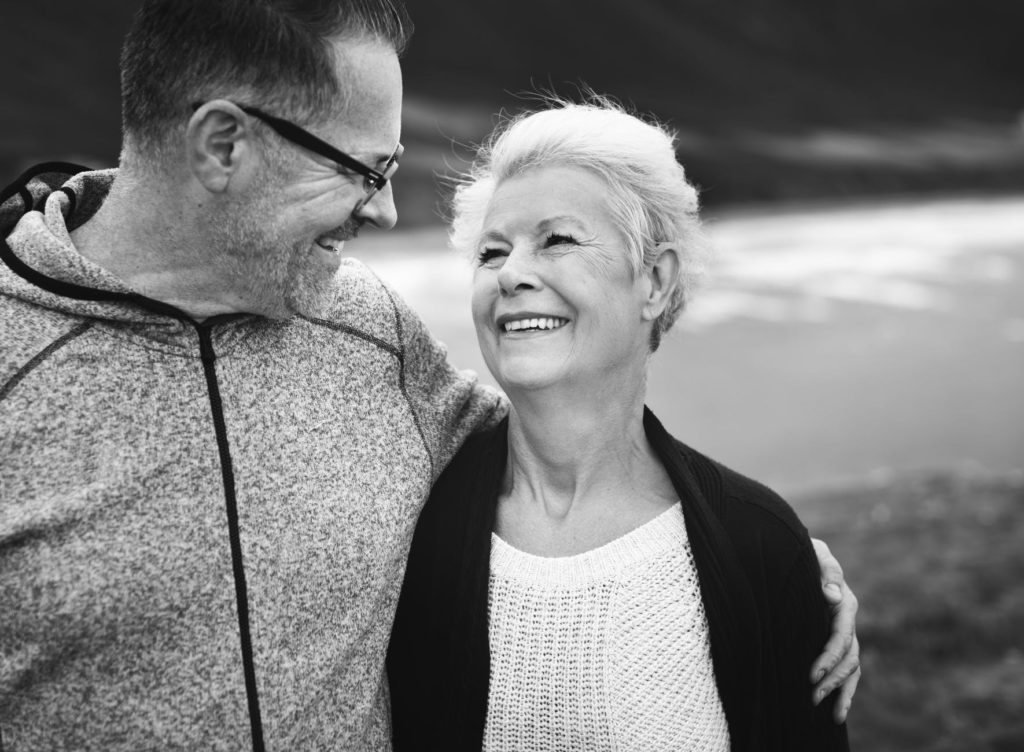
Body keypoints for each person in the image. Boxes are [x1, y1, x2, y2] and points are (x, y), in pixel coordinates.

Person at [0, 2, 857, 750]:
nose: (385, 209)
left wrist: (750, 554)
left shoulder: (368, 328)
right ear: (225, 143)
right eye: (365, 169)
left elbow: (554, 435)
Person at [387, 100, 854, 751]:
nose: (512, 273)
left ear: (655, 281)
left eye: (557, 239)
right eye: (492, 252)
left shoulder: (760, 546)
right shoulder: (413, 521)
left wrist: (797, 573)